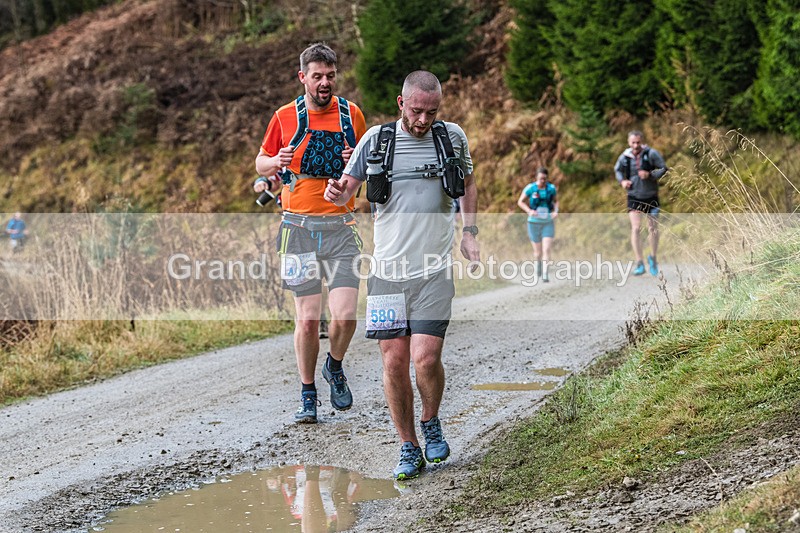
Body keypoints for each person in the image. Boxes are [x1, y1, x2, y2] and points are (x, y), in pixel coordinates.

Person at [324, 70, 480, 480]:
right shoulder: (377, 140)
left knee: (425, 359)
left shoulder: (452, 137)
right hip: (387, 274)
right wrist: (338, 193)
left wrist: (471, 232)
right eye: (417, 111)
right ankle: (408, 446)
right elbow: (348, 187)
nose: (424, 120)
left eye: (432, 111)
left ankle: (431, 421)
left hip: (433, 271)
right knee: (394, 363)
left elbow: (466, 180)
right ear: (400, 103)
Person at [254, 43, 367, 423]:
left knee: (346, 316)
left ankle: (333, 366)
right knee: (306, 319)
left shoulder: (352, 115)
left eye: (330, 76)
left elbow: (366, 174)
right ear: (302, 77)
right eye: (317, 76)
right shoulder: (285, 116)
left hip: (340, 228)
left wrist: (353, 172)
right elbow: (260, 161)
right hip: (298, 228)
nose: (324, 83)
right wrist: (275, 160)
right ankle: (307, 394)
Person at [614, 130, 668, 276]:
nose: (636, 145)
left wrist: (650, 175)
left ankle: (653, 258)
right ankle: (639, 262)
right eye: (633, 142)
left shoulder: (651, 153)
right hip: (634, 196)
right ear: (628, 142)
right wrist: (623, 181)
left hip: (651, 196)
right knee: (636, 228)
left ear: (642, 141)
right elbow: (617, 170)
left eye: (638, 142)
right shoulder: (625, 157)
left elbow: (664, 169)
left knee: (652, 228)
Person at [517, 167, 558, 282]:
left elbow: (556, 201)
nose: (543, 181)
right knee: (538, 252)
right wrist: (529, 211)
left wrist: (556, 211)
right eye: (540, 179)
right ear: (536, 178)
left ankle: (545, 273)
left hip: (548, 222)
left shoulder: (551, 189)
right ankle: (538, 266)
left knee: (547, 249)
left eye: (545, 179)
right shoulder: (530, 188)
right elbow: (520, 202)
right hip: (533, 223)